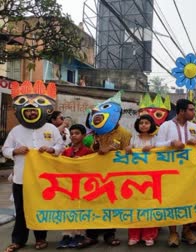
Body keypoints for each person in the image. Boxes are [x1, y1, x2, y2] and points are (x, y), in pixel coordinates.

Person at [2, 80, 65, 252]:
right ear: (22, 111)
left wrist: (51, 148)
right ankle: (18, 240)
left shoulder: (51, 129)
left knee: (39, 208)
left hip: (43, 178)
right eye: (28, 110)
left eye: (33, 110)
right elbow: (5, 150)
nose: (30, 113)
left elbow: (61, 147)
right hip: (21, 179)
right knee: (21, 211)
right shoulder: (16, 131)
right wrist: (15, 151)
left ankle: (41, 239)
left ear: (42, 111)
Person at [79, 91, 131, 248]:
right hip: (93, 176)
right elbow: (86, 151)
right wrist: (98, 147)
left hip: (113, 177)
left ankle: (110, 234)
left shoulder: (124, 134)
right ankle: (91, 235)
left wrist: (125, 151)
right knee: (92, 204)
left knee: (110, 206)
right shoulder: (92, 134)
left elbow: (126, 156)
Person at [156, 99, 196, 248]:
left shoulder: (195, 127)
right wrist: (171, 143)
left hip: (191, 170)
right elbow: (157, 145)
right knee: (172, 201)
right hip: (171, 171)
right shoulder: (166, 125)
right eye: (191, 110)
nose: (194, 112)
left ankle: (187, 231)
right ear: (181, 111)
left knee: (190, 200)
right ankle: (173, 233)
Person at [124, 115, 159, 247]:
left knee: (149, 206)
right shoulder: (134, 139)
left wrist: (153, 149)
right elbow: (128, 150)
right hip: (135, 178)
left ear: (151, 125)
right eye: (141, 123)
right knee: (134, 206)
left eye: (146, 123)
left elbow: (161, 153)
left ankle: (149, 235)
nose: (143, 125)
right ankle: (134, 235)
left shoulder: (156, 140)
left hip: (151, 178)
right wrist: (127, 149)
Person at [57, 124, 94, 248]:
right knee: (68, 210)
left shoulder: (89, 152)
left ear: (83, 135)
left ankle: (80, 234)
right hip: (68, 187)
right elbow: (59, 168)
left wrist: (82, 163)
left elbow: (95, 169)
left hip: (83, 187)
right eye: (72, 133)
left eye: (77, 133)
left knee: (81, 210)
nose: (73, 136)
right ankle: (67, 234)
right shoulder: (66, 151)